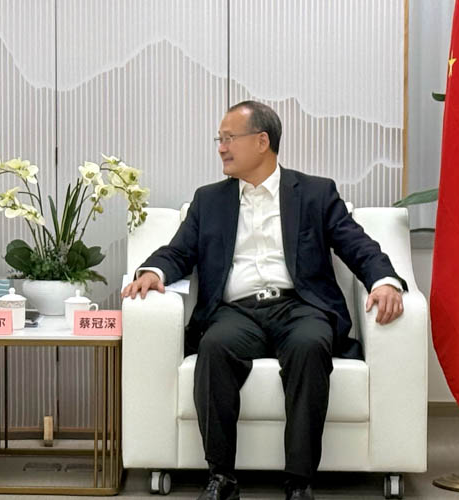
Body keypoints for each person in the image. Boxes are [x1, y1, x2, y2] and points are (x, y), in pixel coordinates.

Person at [121, 101, 405, 500]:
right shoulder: (209, 200)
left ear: (261, 141)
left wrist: (385, 281)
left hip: (300, 307)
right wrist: (153, 272)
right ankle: (221, 478)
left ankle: (300, 482)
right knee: (213, 347)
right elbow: (179, 251)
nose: (221, 147)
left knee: (310, 345)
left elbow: (357, 245)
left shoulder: (314, 193)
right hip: (237, 312)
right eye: (219, 139)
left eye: (229, 138)